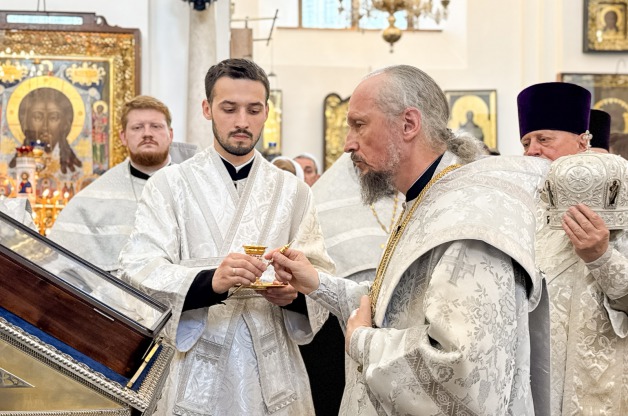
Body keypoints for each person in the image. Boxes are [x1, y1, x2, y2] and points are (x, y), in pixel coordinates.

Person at [269, 65, 550, 415]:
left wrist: (362, 342)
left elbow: (463, 372)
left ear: (408, 124)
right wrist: (317, 283)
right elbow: (393, 307)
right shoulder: (427, 198)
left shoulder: (467, 219)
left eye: (359, 124)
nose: (347, 144)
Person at [118, 59, 334, 415]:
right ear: (207, 109)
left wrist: (295, 295)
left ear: (267, 112)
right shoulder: (169, 186)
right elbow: (139, 267)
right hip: (195, 368)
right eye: (229, 109)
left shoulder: (294, 191)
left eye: (254, 110)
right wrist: (209, 282)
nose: (242, 122)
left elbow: (321, 274)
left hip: (275, 371)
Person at [518, 81, 628, 415]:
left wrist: (601, 257)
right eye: (526, 142)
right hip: (532, 373)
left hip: (596, 380)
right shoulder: (521, 204)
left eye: (544, 139)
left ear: (583, 141)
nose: (532, 150)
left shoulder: (620, 196)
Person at [299, 151, 402, 416]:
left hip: (403, 337)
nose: (349, 145)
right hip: (338, 337)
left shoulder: (415, 192)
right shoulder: (323, 197)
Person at [48, 95, 196, 275]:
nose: (147, 133)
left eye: (156, 126)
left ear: (170, 135)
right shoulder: (95, 196)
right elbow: (61, 267)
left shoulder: (195, 186)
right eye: (137, 127)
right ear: (123, 137)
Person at [11, 87, 82, 174]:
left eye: (53, 118)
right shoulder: (17, 165)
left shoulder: (74, 165)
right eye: (37, 117)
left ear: (65, 125)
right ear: (26, 123)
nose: (45, 126)